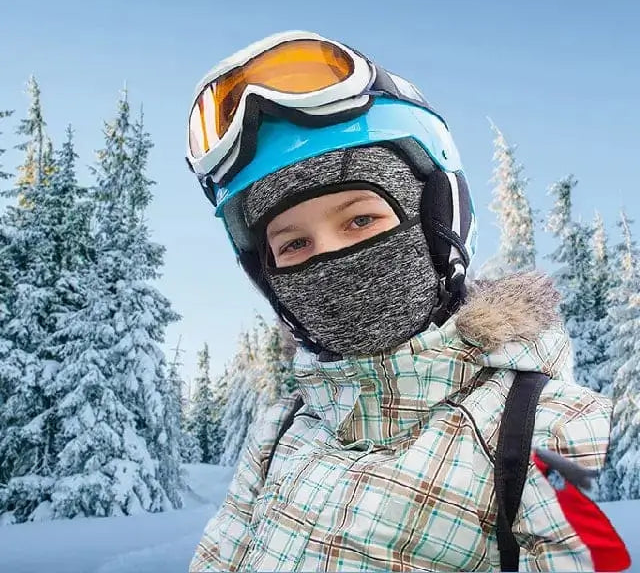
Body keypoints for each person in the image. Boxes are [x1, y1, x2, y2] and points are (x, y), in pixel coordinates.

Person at [185, 31, 623, 571]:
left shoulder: (544, 427)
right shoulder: (282, 428)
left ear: (437, 223)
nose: (331, 258)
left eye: (361, 219)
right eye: (294, 244)